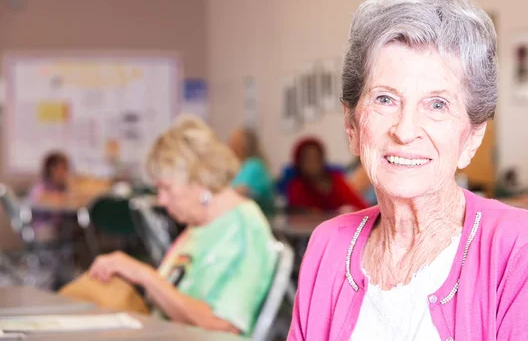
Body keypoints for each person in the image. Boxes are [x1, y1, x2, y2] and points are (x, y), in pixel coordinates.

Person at [289, 0, 528, 340]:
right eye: (385, 99)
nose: (405, 130)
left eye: (437, 104)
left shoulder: (523, 249)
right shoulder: (328, 245)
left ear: (472, 137)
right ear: (351, 125)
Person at [89, 115, 277, 336]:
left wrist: (145, 276)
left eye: (166, 188)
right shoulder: (199, 226)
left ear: (199, 180)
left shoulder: (245, 228)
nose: (161, 200)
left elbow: (223, 325)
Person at [287, 137, 367, 213]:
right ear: (299, 163)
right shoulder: (297, 187)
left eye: (316, 158)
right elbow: (301, 216)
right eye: (307, 159)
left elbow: (359, 205)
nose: (312, 163)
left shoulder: (336, 180)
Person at [229, 127, 276, 216]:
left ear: (244, 145)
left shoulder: (254, 165)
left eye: (234, 141)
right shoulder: (238, 166)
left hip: (258, 217)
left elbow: (241, 191)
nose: (229, 145)